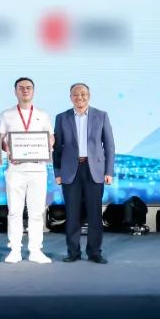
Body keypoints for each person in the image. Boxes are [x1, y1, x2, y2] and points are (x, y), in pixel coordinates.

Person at [53, 83, 115, 264]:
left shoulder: (101, 115)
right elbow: (57, 148)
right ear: (70, 97)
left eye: (83, 93)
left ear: (89, 95)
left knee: (94, 214)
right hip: (70, 171)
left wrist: (109, 171)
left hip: (94, 170)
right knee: (72, 214)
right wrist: (57, 172)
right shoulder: (61, 118)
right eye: (75, 94)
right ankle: (73, 252)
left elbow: (109, 146)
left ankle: (95, 252)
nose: (79, 97)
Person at [0, 77, 54, 264]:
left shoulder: (42, 115)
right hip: (16, 169)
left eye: (28, 87)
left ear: (34, 91)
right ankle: (14, 249)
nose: (25, 90)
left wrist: (46, 147)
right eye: (21, 88)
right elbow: (0, 139)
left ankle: (36, 250)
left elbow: (51, 138)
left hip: (38, 169)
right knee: (14, 211)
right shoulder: (6, 115)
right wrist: (9, 150)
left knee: (36, 212)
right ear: (15, 91)